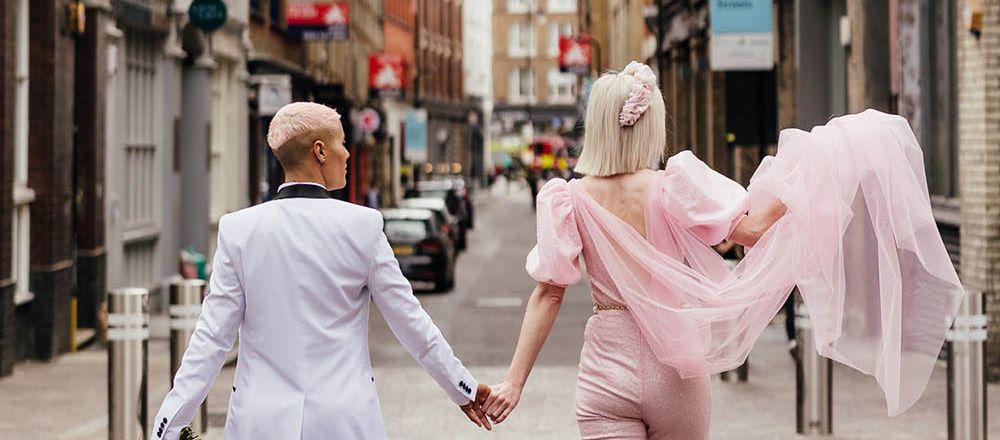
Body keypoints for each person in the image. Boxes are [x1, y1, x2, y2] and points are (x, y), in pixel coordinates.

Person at [482, 61, 962, 437]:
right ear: (650, 126)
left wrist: (514, 383)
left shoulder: (567, 198)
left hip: (605, 370)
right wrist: (797, 189)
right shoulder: (673, 186)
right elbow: (750, 231)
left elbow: (548, 293)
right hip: (676, 368)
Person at [151, 101, 491, 440]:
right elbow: (410, 321)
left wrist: (167, 425)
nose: (346, 153)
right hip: (344, 420)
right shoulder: (363, 226)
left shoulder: (238, 230)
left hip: (260, 423)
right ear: (320, 151)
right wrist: (462, 388)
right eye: (341, 143)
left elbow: (212, 338)